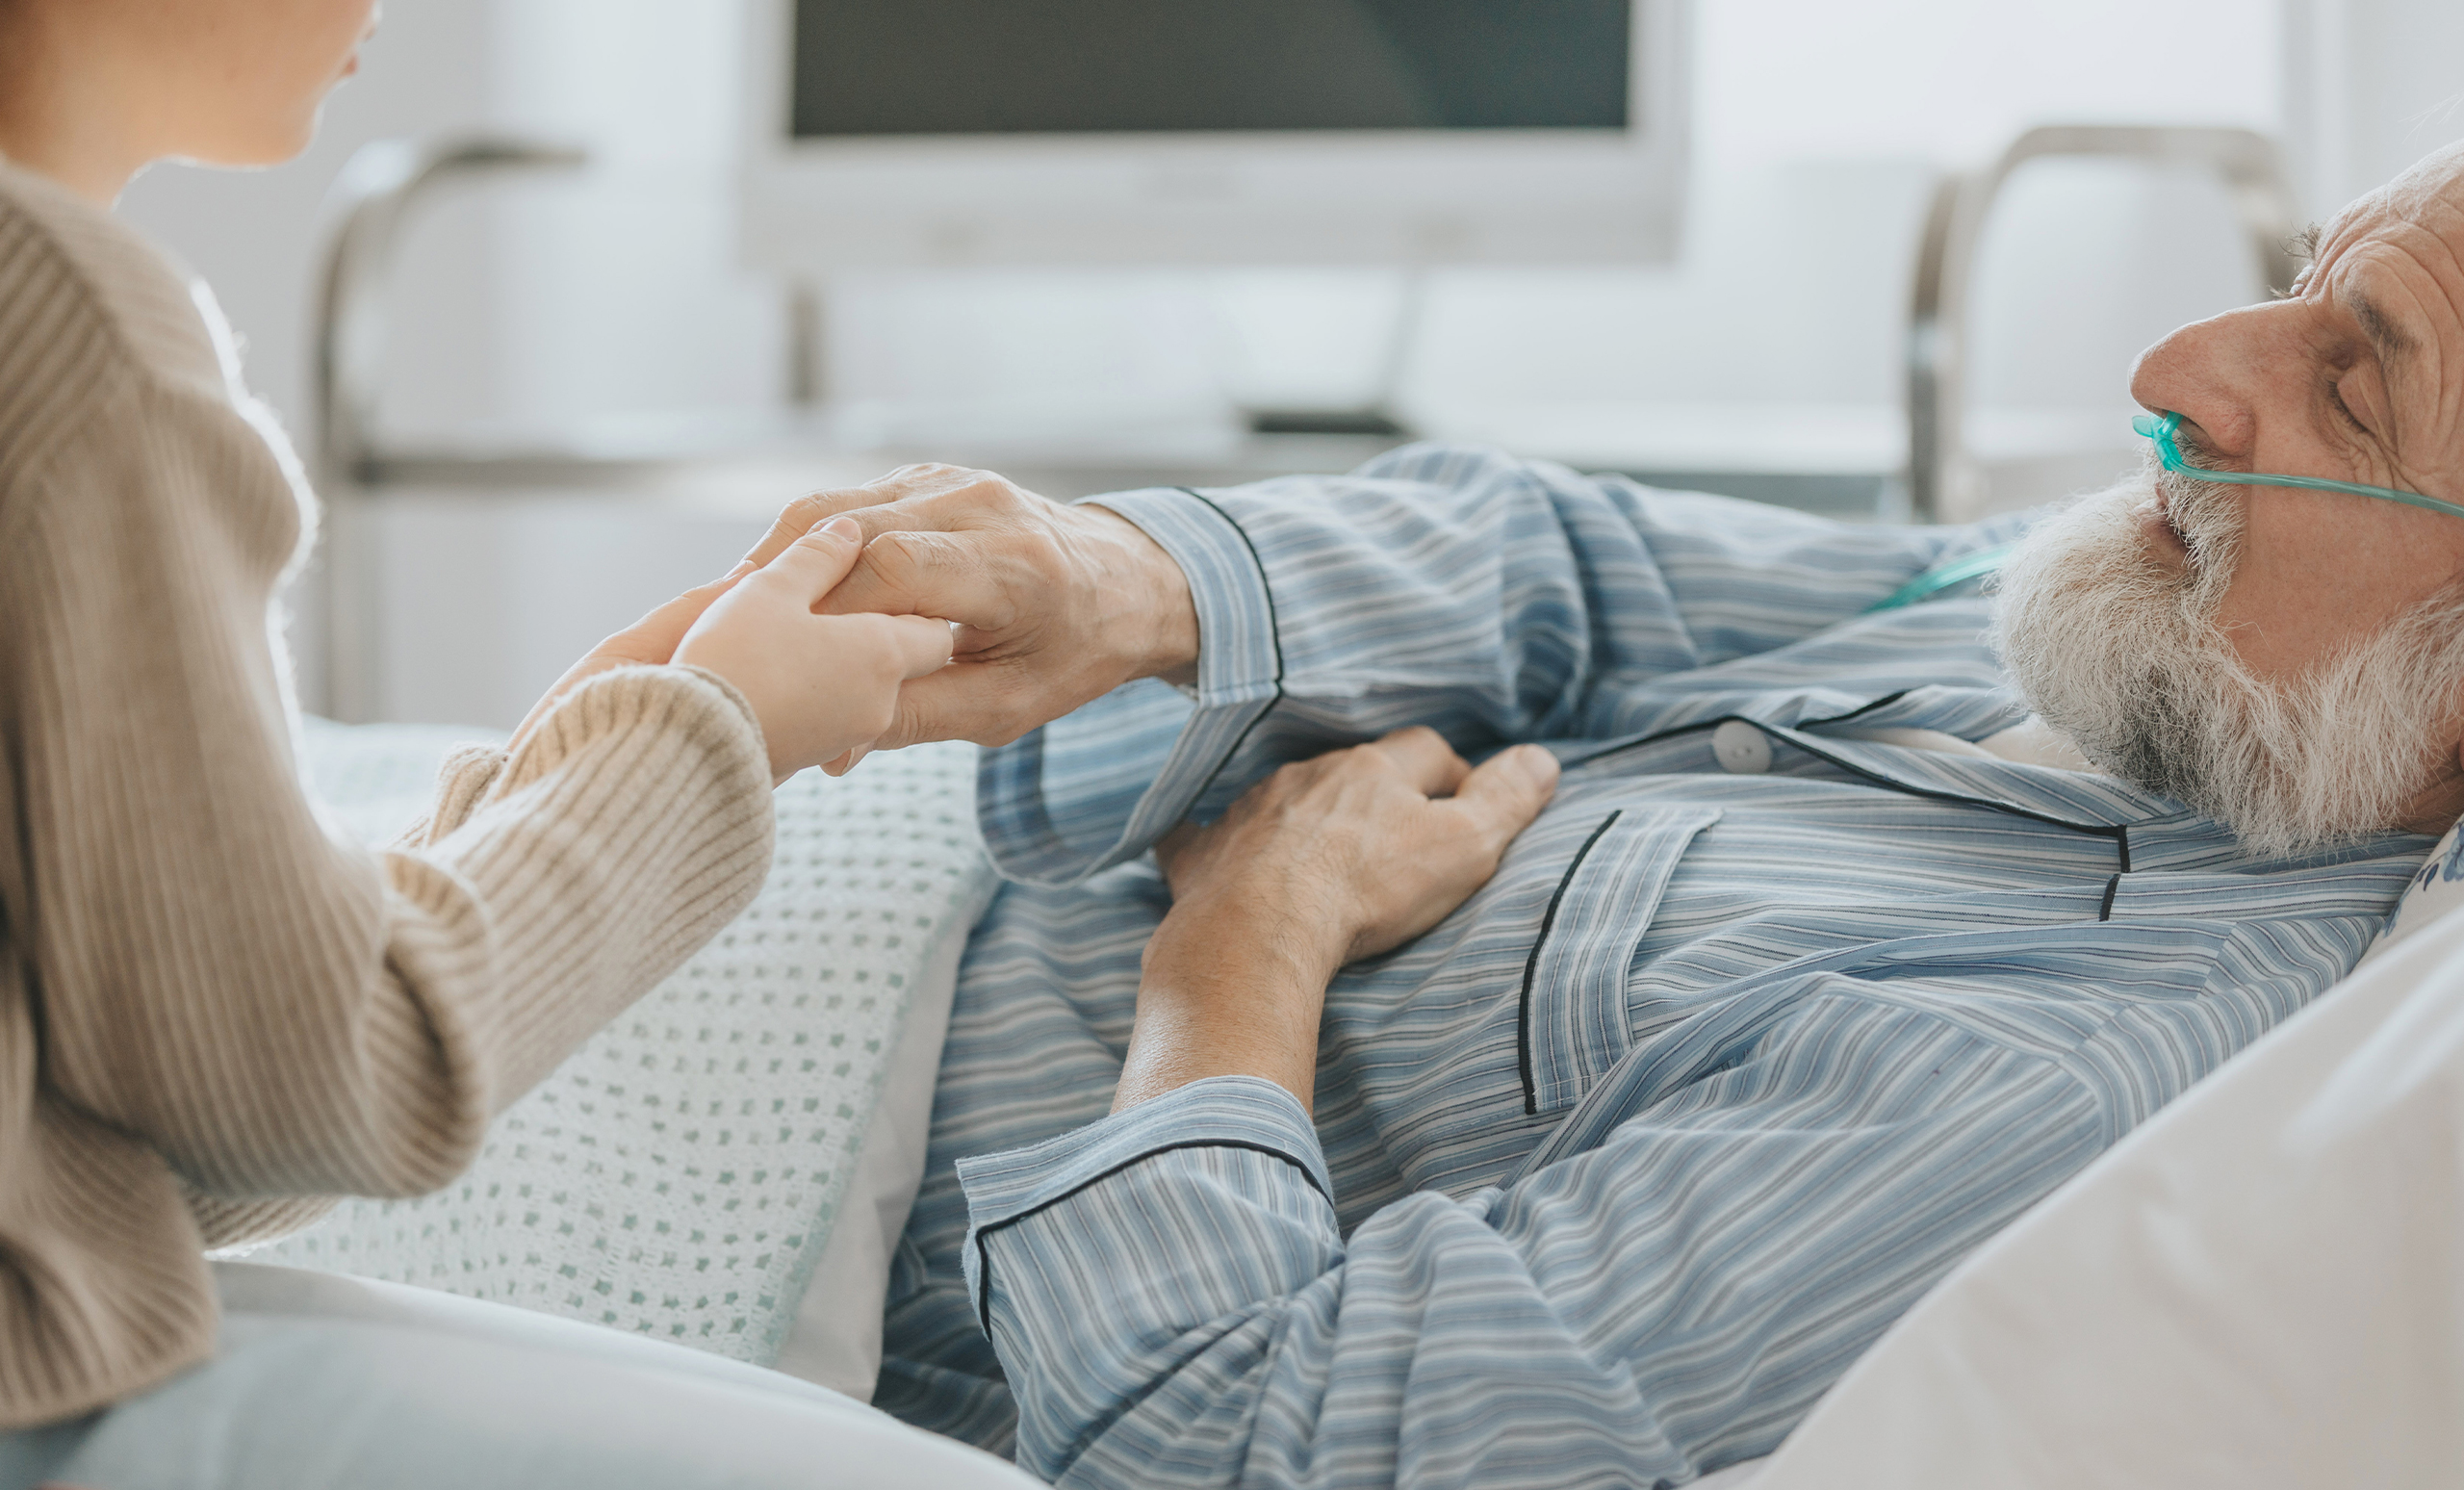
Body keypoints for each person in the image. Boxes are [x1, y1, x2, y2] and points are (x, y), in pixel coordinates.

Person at [735, 141, 2464, 1486]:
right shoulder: (2127, 618)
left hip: (792, 1223)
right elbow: (1570, 566)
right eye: (2291, 284)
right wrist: (1128, 584)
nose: (2175, 365)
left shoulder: (2053, 1075)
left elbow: (1248, 1446)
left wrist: (1242, 957)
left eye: (2351, 384)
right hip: (854, 898)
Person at [0, 1, 977, 1482]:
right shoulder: (60, 313)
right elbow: (324, 1082)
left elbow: (119, 1084)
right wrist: (718, 740)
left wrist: (565, 766)